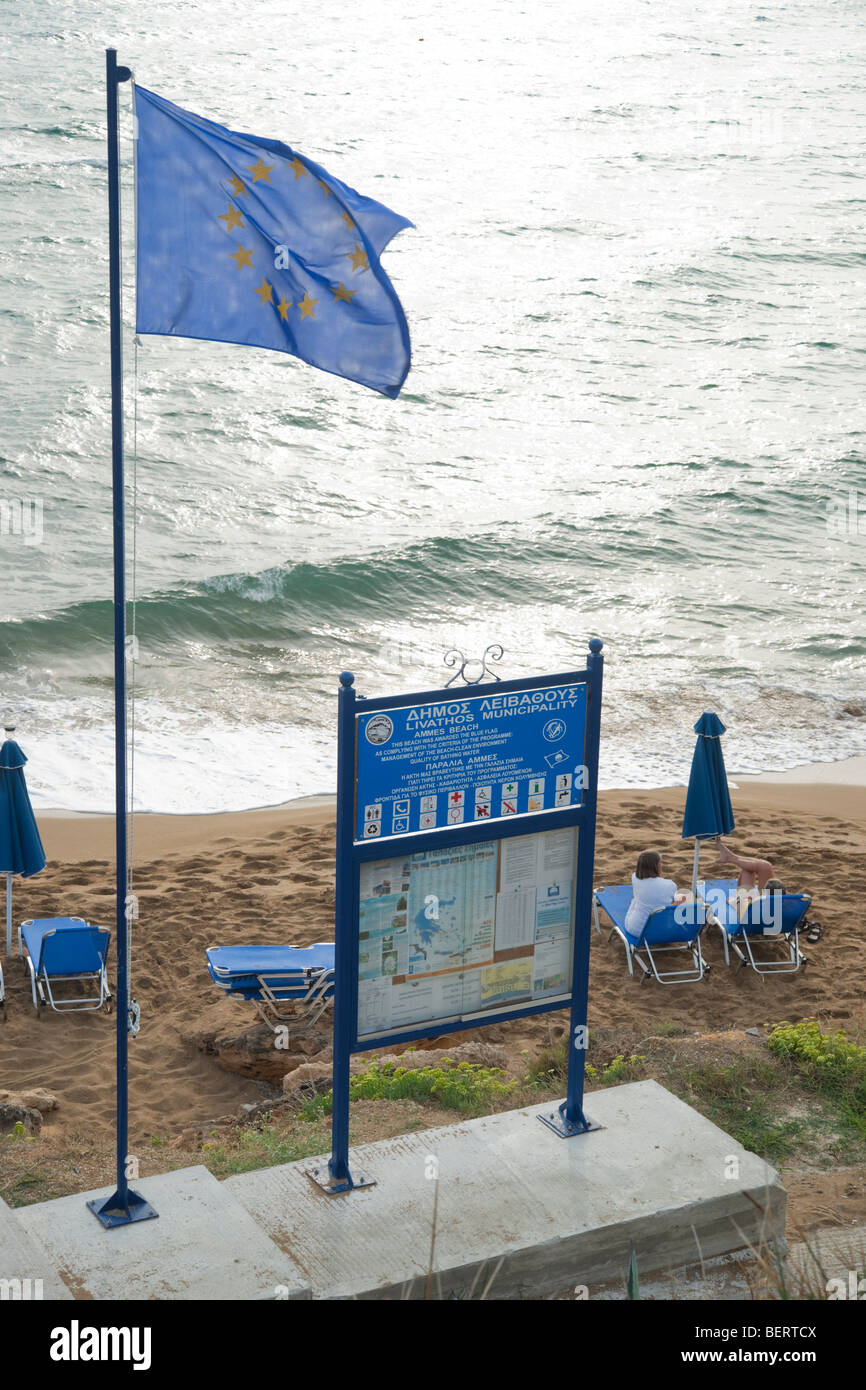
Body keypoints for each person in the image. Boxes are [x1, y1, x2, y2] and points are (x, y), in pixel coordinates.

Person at [624, 850, 687, 937]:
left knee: (636, 900)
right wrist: (677, 902)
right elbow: (670, 906)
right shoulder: (670, 885)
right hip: (662, 931)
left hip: (634, 929)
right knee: (676, 902)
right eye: (660, 863)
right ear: (656, 866)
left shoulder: (635, 877)